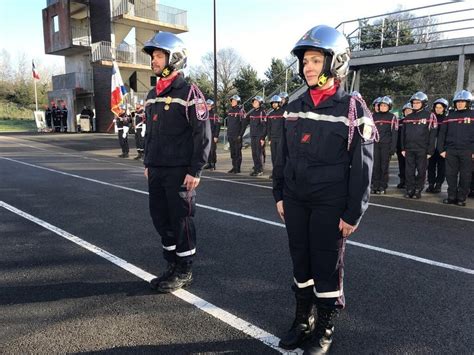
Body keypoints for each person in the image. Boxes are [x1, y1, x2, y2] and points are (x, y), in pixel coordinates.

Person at [273, 25, 375, 354]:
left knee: (327, 264)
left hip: (331, 203)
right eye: (305, 62)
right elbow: (281, 153)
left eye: (316, 60)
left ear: (336, 63)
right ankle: (303, 320)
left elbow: (362, 165)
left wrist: (353, 212)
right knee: (300, 260)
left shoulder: (352, 108)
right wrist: (279, 193)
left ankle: (326, 324)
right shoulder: (294, 104)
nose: (309, 68)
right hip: (295, 199)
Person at [142, 32, 211, 293]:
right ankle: (171, 265)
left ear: (175, 59)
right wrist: (147, 162)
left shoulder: (190, 92)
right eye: (153, 57)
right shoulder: (152, 94)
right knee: (161, 219)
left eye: (159, 56)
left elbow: (202, 134)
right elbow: (149, 132)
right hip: (157, 168)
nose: (154, 61)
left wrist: (196, 169)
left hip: (180, 171)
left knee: (181, 220)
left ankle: (185, 269)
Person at [438, 90, 474, 206]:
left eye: (463, 102)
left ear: (468, 103)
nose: (460, 104)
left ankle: (461, 198)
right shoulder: (450, 116)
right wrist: (441, 150)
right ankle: (451, 196)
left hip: (467, 151)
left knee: (465, 175)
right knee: (450, 175)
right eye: (458, 102)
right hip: (451, 151)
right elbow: (442, 134)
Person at [400, 92, 437, 199]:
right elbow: (403, 134)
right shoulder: (408, 117)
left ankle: (418, 189)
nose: (415, 104)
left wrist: (430, 151)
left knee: (421, 171)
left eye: (418, 102)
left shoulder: (430, 116)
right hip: (409, 149)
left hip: (423, 149)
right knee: (409, 171)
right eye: (413, 103)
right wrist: (403, 148)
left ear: (423, 103)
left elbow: (432, 134)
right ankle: (410, 189)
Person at [371, 96, 398, 194]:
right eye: (381, 105)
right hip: (375, 144)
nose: (382, 107)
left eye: (385, 105)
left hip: (386, 145)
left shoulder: (392, 117)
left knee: (384, 166)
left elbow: (394, 133)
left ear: (389, 107)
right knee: (375, 166)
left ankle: (383, 186)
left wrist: (393, 147)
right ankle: (375, 185)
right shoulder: (374, 116)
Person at [426, 98, 448, 193]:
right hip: (431, 146)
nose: (438, 109)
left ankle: (438, 184)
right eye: (436, 107)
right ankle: (431, 184)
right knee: (430, 166)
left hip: (442, 147)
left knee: (441, 167)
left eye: (440, 107)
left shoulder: (446, 119)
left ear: (444, 108)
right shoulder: (430, 118)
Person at [242, 95, 267, 176]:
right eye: (253, 102)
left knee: (259, 153)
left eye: (256, 102)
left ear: (260, 103)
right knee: (254, 153)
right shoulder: (252, 112)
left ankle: (260, 169)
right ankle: (256, 168)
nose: (254, 103)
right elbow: (246, 121)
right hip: (253, 136)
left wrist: (263, 138)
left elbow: (264, 126)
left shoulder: (262, 112)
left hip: (259, 136)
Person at [225, 94, 246, 173]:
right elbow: (229, 124)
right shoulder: (230, 111)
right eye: (232, 101)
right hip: (230, 134)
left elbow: (243, 124)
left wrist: (240, 135)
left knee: (237, 152)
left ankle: (238, 168)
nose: (232, 102)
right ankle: (234, 166)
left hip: (237, 135)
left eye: (234, 101)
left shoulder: (241, 111)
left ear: (238, 102)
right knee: (232, 152)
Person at [267, 94, 285, 178]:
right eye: (273, 103)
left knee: (280, 156)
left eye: (276, 103)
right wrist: (269, 138)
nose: (274, 104)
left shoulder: (284, 113)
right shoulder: (270, 114)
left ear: (279, 103)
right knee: (273, 156)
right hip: (273, 139)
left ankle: (281, 173)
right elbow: (269, 127)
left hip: (281, 138)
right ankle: (275, 172)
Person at [396, 102, 412, 189]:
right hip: (400, 148)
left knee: (410, 166)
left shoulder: (414, 121)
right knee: (401, 165)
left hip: (410, 147)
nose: (407, 112)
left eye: (409, 110)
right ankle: (402, 180)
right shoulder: (400, 122)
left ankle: (409, 182)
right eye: (406, 110)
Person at [205, 99, 221, 170]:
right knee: (207, 150)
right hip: (206, 135)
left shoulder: (215, 115)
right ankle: (208, 163)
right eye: (207, 104)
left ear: (212, 106)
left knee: (212, 150)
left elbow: (218, 126)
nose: (208, 106)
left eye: (209, 105)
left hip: (212, 135)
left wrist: (216, 136)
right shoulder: (204, 114)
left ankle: (213, 163)